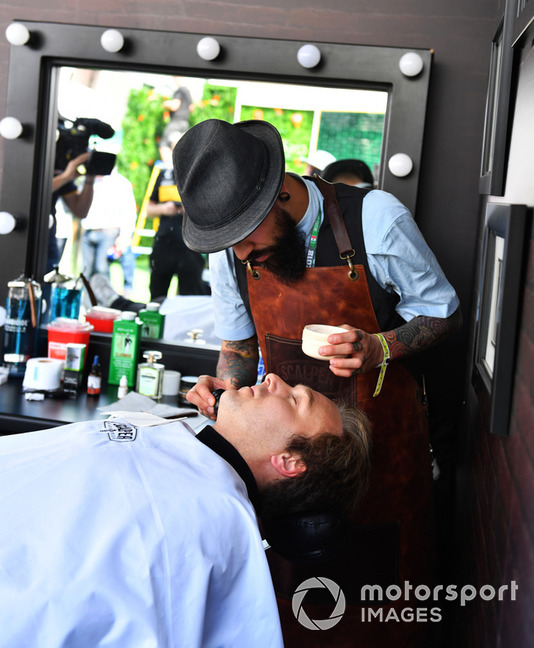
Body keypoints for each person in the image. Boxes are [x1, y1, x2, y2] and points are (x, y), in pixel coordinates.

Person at [173, 118, 462, 646]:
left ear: (279, 194)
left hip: (385, 457)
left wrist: (380, 347)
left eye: (245, 236)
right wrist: (226, 393)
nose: (239, 254)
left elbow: (442, 314)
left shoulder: (373, 218)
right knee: (296, 611)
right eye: (228, 242)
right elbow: (238, 349)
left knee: (384, 608)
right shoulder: (233, 251)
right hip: (291, 476)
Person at [0, 373, 371, 647]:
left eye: (293, 400)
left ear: (289, 461)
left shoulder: (213, 521)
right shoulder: (178, 441)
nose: (273, 378)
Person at [147, 129, 207, 298]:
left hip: (191, 245)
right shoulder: (163, 174)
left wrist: (188, 209)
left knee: (190, 298)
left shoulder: (201, 175)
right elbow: (148, 209)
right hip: (164, 243)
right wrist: (164, 209)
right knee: (157, 297)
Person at [80, 168, 137, 293]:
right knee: (85, 271)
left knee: (102, 270)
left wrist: (125, 235)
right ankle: (87, 305)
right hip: (88, 231)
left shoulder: (121, 182)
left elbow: (129, 211)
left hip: (108, 232)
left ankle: (103, 304)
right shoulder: (90, 180)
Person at [47, 152, 95, 273]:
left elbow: (80, 211)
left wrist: (89, 180)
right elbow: (26, 193)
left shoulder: (59, 169)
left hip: (47, 245)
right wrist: (65, 177)